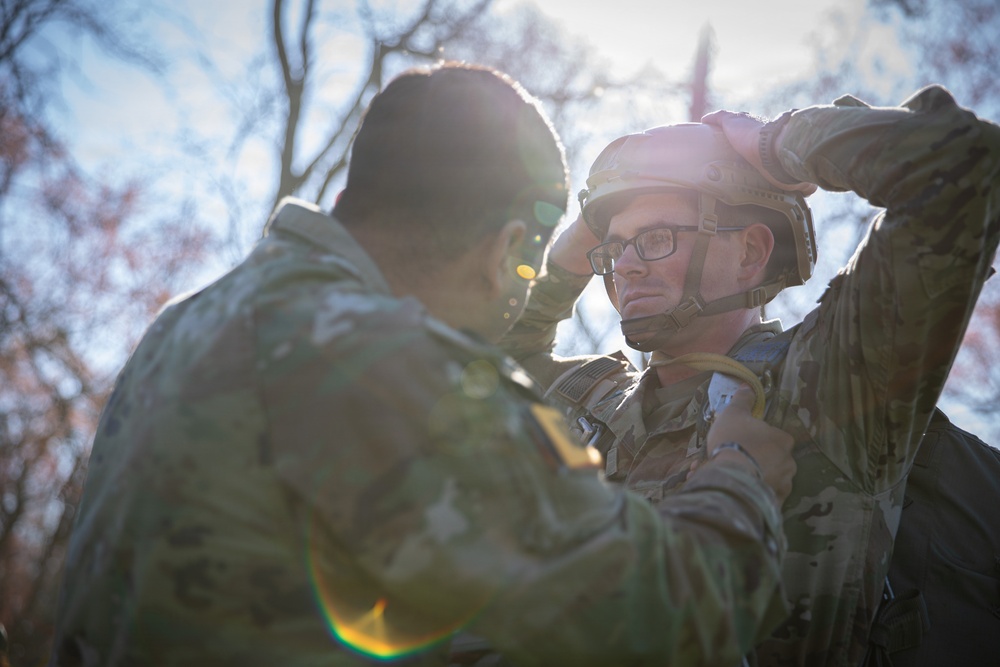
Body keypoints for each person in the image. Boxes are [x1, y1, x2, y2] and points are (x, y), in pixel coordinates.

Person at [49, 63, 798, 667]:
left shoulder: (188, 323)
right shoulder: (393, 368)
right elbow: (670, 622)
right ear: (505, 250)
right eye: (528, 270)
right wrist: (738, 471)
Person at [501, 85, 1000, 666]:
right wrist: (591, 228)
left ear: (750, 252)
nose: (626, 266)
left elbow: (963, 164)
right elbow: (483, 358)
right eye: (612, 253)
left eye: (656, 239)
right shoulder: (593, 403)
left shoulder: (829, 381)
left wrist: (780, 144)